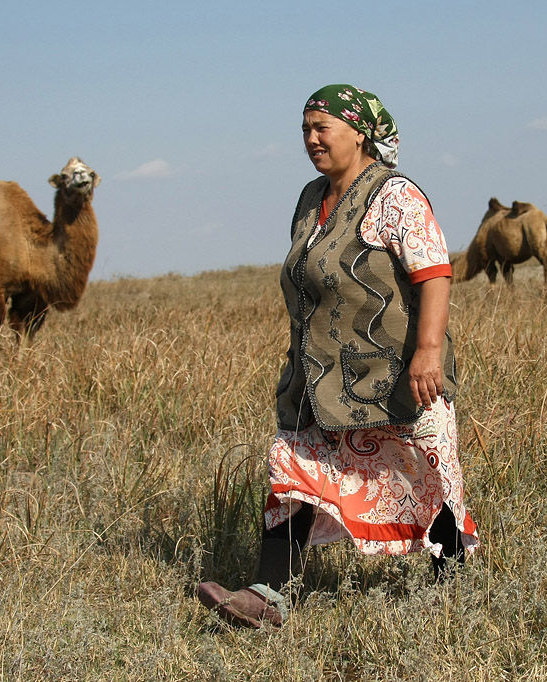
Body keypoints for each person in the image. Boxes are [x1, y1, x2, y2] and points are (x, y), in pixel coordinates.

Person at [196, 84, 478, 629]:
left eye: (322, 127)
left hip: (394, 375)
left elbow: (434, 273)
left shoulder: (395, 196)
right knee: (292, 470)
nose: (311, 139)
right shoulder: (309, 198)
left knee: (430, 475)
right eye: (305, 129)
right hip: (317, 378)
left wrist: (427, 352)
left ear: (359, 132)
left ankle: (454, 597)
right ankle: (269, 596)